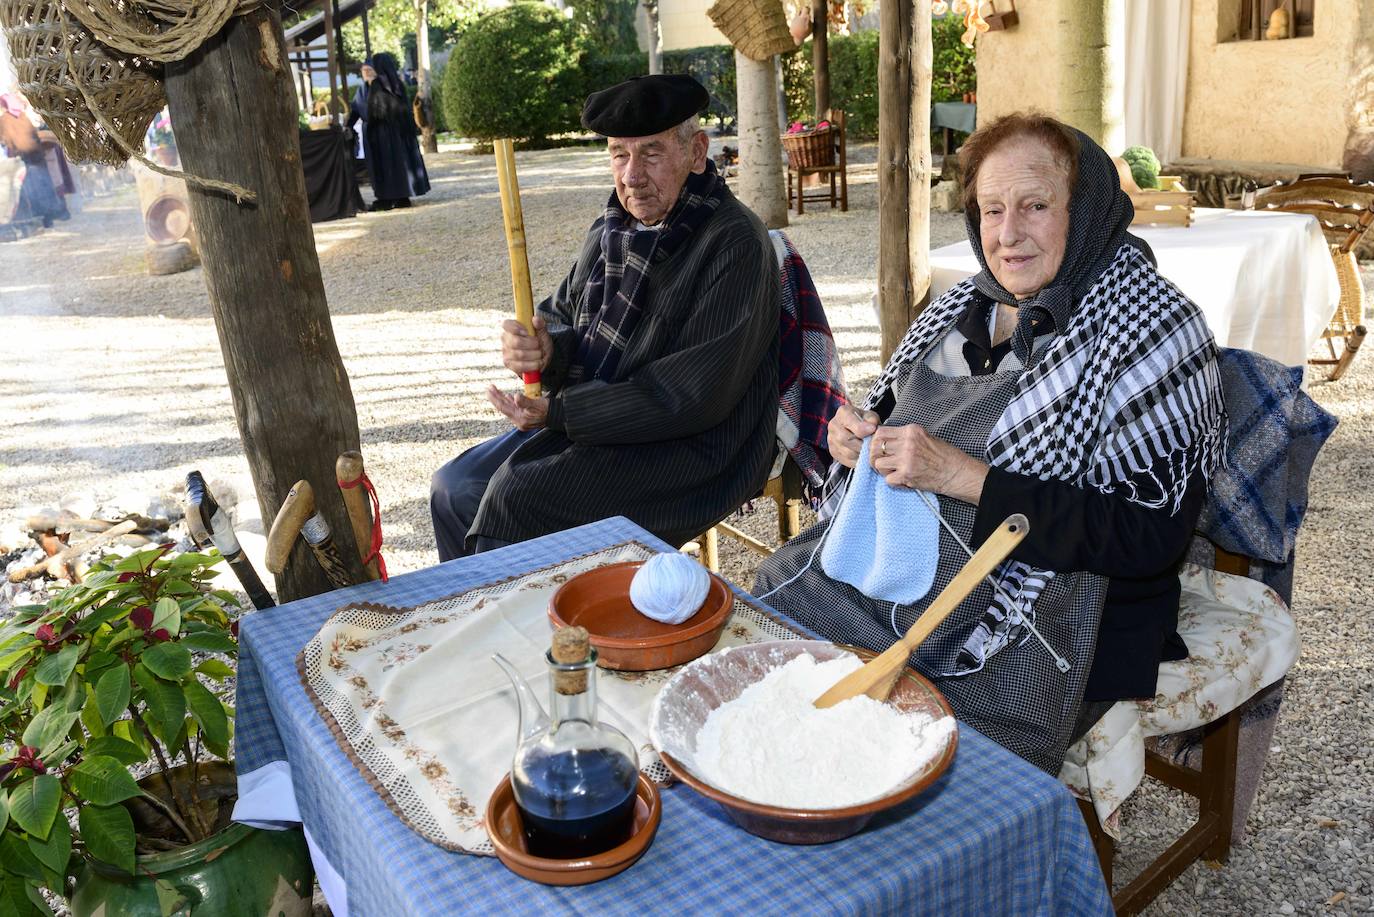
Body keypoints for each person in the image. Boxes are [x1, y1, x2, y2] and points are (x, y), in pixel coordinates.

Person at [753, 113, 1225, 775]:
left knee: (899, 746)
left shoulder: (1156, 328)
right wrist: (855, 442)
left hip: (1042, 613)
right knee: (773, 621)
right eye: (991, 208)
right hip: (910, 567)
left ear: (1085, 208)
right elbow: (890, 415)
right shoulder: (962, 306)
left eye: (1035, 206)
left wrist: (961, 475)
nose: (1008, 235)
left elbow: (1149, 537)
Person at [431, 74, 779, 560]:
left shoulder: (734, 242)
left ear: (697, 153)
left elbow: (690, 397)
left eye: (651, 153)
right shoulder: (614, 225)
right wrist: (544, 348)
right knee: (454, 487)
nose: (632, 175)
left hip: (693, 447)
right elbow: (560, 315)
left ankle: (548, 633)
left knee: (517, 504)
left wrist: (561, 412)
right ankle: (478, 623)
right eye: (620, 154)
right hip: (598, 419)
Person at [351, 53, 429, 211]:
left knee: (389, 165)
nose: (366, 72)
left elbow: (376, 112)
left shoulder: (382, 86)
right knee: (394, 165)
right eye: (364, 70)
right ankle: (400, 196)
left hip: (384, 134)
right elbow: (357, 109)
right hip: (386, 133)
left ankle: (389, 197)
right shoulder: (385, 86)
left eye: (369, 69)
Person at [0, 92, 68, 228]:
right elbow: (33, 136)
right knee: (45, 185)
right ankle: (52, 216)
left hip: (24, 159)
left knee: (32, 190)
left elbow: (5, 140)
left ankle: (40, 218)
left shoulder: (4, 120)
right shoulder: (23, 116)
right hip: (37, 155)